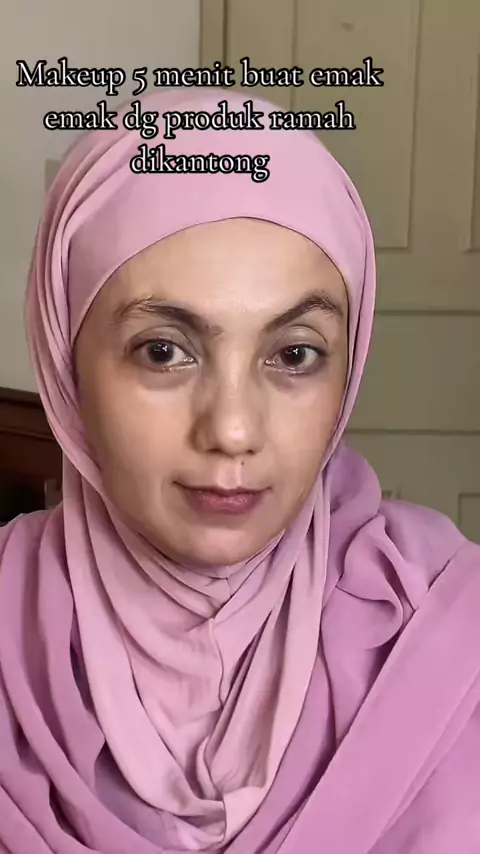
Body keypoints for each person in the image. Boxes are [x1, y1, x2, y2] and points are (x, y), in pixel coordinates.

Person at [0, 88, 479, 854]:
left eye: (295, 354)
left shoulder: (449, 630)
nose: (232, 430)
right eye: (164, 351)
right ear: (67, 366)